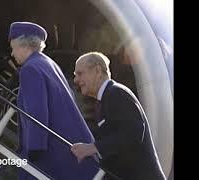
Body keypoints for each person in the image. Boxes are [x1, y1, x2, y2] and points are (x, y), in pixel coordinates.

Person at [8, 22, 99, 179]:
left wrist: (34, 149)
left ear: (24, 46)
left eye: (13, 48)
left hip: (50, 155)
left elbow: (37, 111)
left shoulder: (30, 69)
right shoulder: (48, 63)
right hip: (73, 155)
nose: (12, 53)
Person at [71, 52, 166, 180]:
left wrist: (94, 147)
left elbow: (133, 132)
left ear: (98, 71)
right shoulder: (104, 99)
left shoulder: (116, 93)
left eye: (80, 73)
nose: (76, 80)